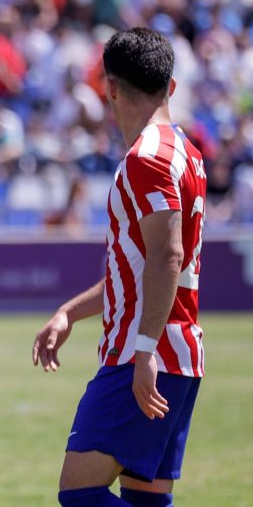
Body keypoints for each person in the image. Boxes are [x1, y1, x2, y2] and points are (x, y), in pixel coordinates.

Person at [32, 27, 207, 507]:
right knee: (144, 499)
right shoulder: (186, 154)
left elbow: (167, 256)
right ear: (170, 86)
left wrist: (146, 351)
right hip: (178, 352)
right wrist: (70, 311)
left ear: (109, 88)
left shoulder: (145, 159)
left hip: (144, 353)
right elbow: (141, 267)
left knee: (81, 493)